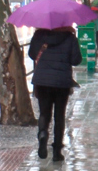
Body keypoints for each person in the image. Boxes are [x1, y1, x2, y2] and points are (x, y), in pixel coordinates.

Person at [28, 26, 82, 162]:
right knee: (59, 115)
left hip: (42, 80)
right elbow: (76, 60)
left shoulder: (39, 35)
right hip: (61, 81)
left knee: (44, 113)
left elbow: (32, 54)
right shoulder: (70, 37)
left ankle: (42, 133)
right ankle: (57, 151)